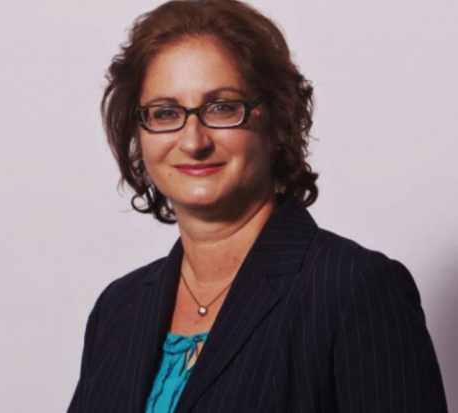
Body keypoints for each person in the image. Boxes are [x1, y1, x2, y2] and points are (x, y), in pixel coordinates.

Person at [68, 0, 448, 412]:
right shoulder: (118, 308)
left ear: (277, 121)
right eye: (165, 112)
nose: (193, 141)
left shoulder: (353, 290)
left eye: (222, 107)